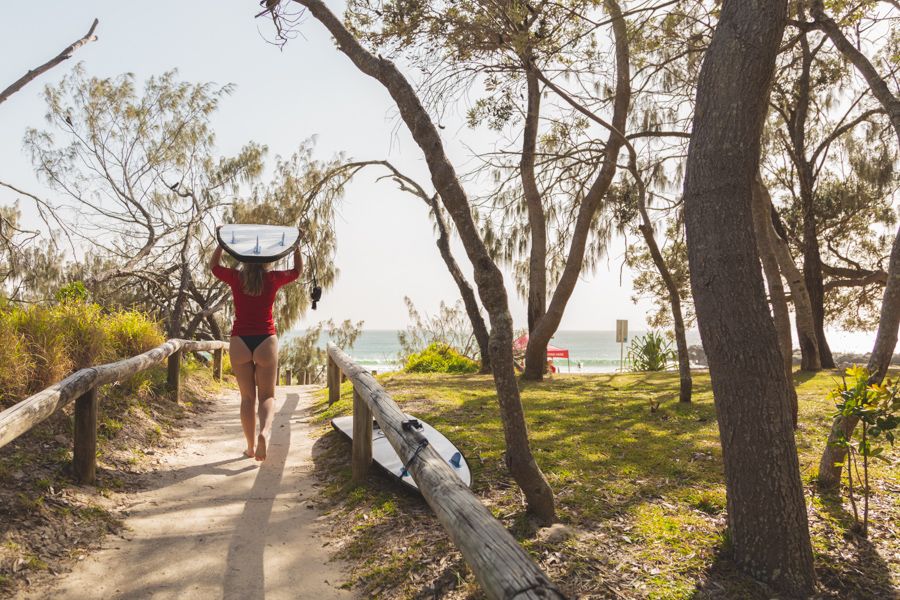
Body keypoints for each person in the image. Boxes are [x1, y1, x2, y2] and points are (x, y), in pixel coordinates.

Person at [209, 237, 302, 461]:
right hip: (265, 341)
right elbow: (297, 271)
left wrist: (222, 242)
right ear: (266, 260)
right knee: (267, 396)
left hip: (240, 340)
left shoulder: (236, 277)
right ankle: (264, 433)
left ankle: (250, 448)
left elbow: (214, 266)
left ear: (243, 258)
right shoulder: (273, 278)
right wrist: (296, 246)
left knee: (247, 399)